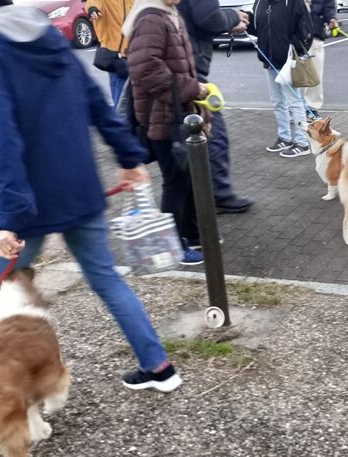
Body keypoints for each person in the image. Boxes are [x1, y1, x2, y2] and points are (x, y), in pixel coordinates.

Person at [0, 0, 182, 392]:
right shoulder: (42, 31)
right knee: (107, 280)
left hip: (26, 203)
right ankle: (160, 367)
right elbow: (93, 99)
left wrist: (8, 218)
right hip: (79, 188)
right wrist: (128, 155)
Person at [124, 0, 208, 265]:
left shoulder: (169, 14)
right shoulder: (151, 19)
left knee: (187, 178)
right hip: (162, 118)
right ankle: (172, 246)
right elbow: (145, 69)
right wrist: (191, 88)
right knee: (176, 181)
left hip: (177, 113)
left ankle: (192, 234)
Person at [178, 0, 254, 214]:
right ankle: (217, 196)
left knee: (188, 143)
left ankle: (207, 197)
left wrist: (228, 20)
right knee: (213, 135)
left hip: (185, 68)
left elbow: (202, 17)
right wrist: (233, 16)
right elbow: (208, 17)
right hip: (188, 72)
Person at [246, 0, 314, 158]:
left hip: (288, 61)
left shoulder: (293, 2)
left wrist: (295, 49)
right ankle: (284, 137)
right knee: (277, 100)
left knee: (294, 101)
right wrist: (245, 21)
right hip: (268, 59)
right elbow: (258, 28)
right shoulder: (260, 2)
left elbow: (306, 28)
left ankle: (302, 142)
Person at [86, 0, 133, 106]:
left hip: (132, 52)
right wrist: (92, 10)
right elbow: (93, 2)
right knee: (121, 97)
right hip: (114, 54)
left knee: (131, 97)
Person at [302, 0, 337, 121]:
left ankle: (311, 107)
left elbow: (328, 5)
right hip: (293, 34)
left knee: (315, 73)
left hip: (315, 33)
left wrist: (331, 18)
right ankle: (293, 108)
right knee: (292, 73)